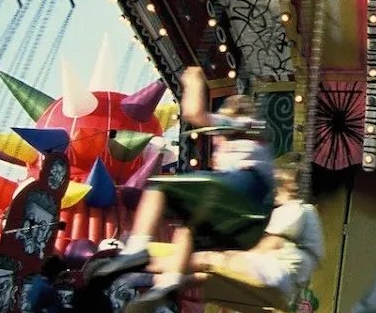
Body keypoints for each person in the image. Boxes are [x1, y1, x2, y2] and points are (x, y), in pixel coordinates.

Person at [96, 67, 274, 291]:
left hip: (245, 188)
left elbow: (194, 113)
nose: (217, 141)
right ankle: (168, 280)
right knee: (187, 226)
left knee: (158, 187)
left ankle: (137, 248)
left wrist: (194, 81)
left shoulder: (244, 123)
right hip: (250, 220)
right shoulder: (256, 138)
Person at [131, 161, 324, 313]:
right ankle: (152, 280)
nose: (272, 197)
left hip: (279, 273)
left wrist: (230, 251)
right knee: (208, 275)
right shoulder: (307, 215)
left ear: (288, 188)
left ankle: (139, 266)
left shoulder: (297, 209)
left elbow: (271, 243)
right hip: (285, 283)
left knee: (207, 259)